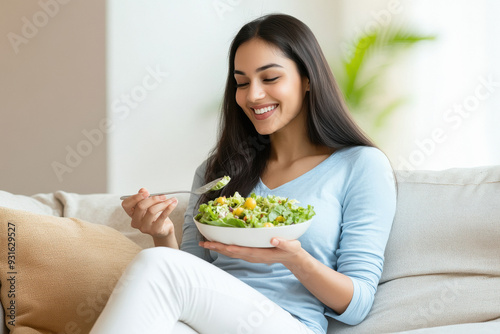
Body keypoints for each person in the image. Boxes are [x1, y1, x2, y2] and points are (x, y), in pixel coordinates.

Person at [91, 13, 397, 334]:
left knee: (156, 266)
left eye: (270, 78)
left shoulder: (361, 165)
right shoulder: (217, 170)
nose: (253, 96)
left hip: (288, 323)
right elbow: (190, 274)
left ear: (307, 79)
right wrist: (161, 232)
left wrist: (294, 259)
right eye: (242, 82)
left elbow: (358, 304)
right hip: (210, 322)